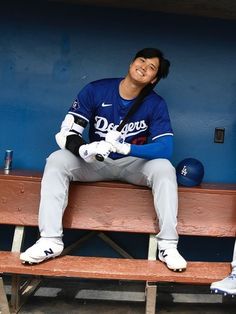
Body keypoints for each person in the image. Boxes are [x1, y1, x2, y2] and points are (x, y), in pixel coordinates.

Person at [20, 47, 187, 272]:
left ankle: (168, 245)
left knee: (164, 168)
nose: (143, 68)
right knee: (57, 160)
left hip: (132, 165)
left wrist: (126, 148)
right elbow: (66, 132)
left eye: (151, 68)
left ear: (153, 79)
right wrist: (83, 150)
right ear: (131, 63)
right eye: (141, 61)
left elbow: (165, 148)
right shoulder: (96, 90)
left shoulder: (155, 103)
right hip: (96, 161)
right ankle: (50, 240)